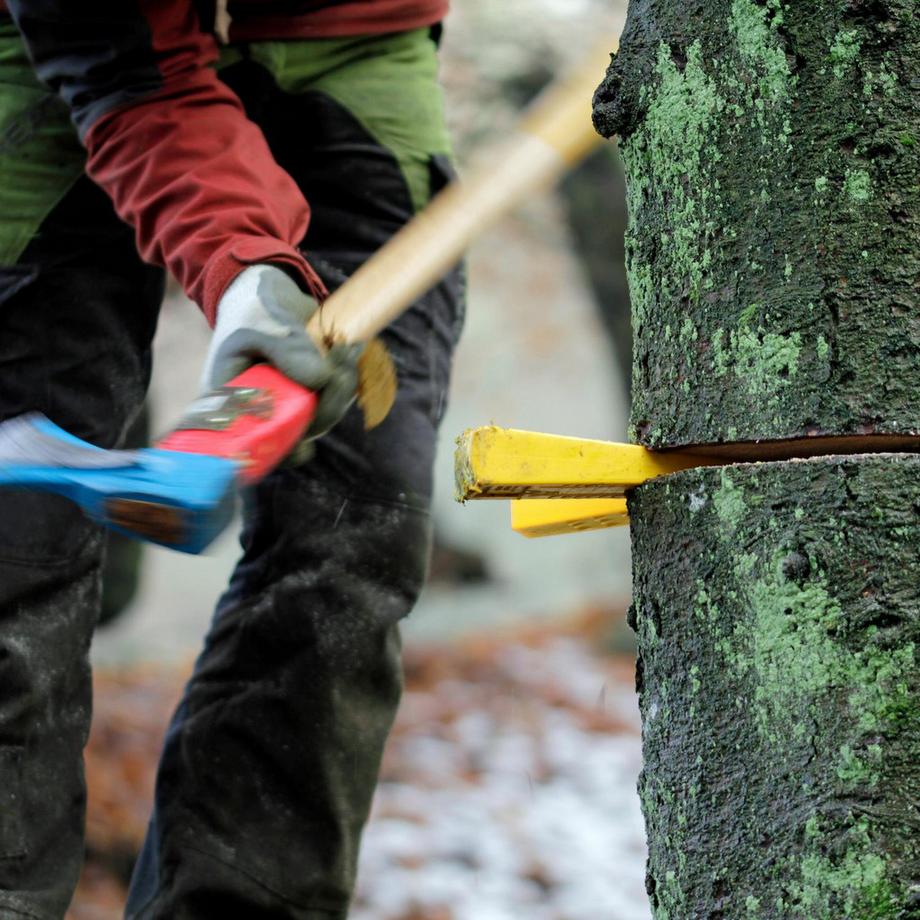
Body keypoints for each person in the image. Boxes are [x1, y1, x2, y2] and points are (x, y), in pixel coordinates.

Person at [0, 1, 463, 916]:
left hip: (350, 37)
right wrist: (249, 270)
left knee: (353, 536)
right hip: (58, 49)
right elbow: (127, 71)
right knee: (15, 545)